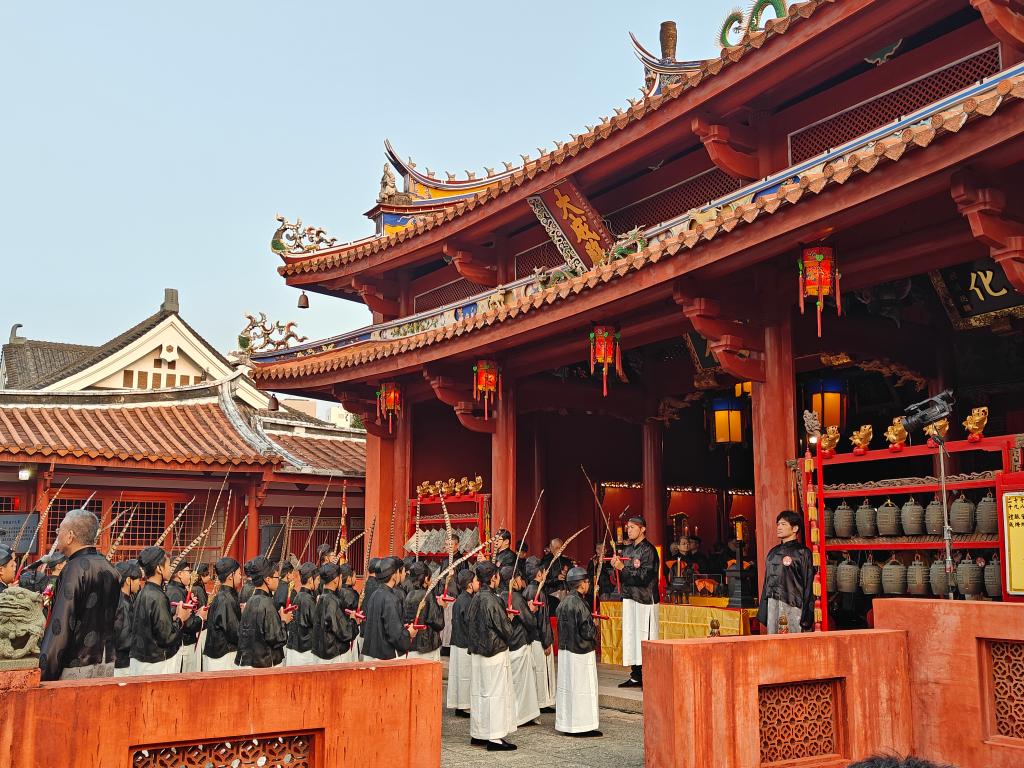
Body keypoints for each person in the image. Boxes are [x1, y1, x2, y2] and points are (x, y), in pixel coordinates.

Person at [36, 508, 121, 681]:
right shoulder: (110, 568)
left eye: (59, 531)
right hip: (105, 664)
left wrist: (44, 672)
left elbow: (60, 626)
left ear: (70, 536)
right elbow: (119, 620)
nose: (57, 535)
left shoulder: (74, 568)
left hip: (75, 666)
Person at [467, 561, 517, 752]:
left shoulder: (475, 598)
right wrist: (509, 620)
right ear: (494, 578)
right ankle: (494, 737)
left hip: (478, 652)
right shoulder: (492, 600)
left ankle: (479, 732)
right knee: (495, 694)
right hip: (493, 652)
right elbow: (506, 629)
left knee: (479, 693)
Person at [129, 546, 199, 676]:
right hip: (156, 663)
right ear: (159, 568)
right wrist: (180, 619)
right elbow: (167, 637)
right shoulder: (157, 596)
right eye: (168, 565)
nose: (170, 569)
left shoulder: (144, 592)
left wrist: (175, 617)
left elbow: (154, 626)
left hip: (144, 660)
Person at [611, 515, 660, 689]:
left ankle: (649, 676)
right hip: (629, 597)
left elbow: (644, 577)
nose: (628, 530)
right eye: (628, 527)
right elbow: (620, 576)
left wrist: (622, 568)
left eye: (632, 527)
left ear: (642, 529)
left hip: (645, 599)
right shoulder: (628, 550)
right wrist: (615, 567)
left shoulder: (649, 551)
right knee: (632, 636)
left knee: (645, 636)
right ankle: (636, 675)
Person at [555, 566, 601, 737]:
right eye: (587, 582)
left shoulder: (562, 603)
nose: (588, 585)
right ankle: (583, 726)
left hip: (566, 650)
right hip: (581, 652)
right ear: (582, 584)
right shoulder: (580, 604)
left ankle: (567, 724)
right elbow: (587, 632)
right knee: (583, 689)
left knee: (567, 689)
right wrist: (595, 626)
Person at [758, 510, 816, 634]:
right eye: (778, 524)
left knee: (793, 639)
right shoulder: (772, 553)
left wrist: (807, 615)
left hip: (794, 604)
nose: (779, 527)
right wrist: (764, 609)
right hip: (773, 603)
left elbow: (809, 584)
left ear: (795, 528)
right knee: (773, 638)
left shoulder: (803, 553)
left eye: (783, 524)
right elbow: (766, 583)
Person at [501, 564, 540, 728]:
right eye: (517, 578)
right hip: (518, 642)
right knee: (522, 684)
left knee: (513, 683)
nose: (520, 580)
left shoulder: (499, 596)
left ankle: (516, 714)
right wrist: (531, 610)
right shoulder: (515, 598)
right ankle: (521, 715)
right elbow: (530, 622)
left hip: (507, 643)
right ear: (512, 581)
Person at [236, 556, 293, 668]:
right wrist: (284, 621)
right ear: (267, 579)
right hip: (266, 662)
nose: (278, 580)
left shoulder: (250, 601)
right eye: (277, 577)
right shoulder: (267, 603)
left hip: (251, 661)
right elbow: (278, 639)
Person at [362, 556, 418, 660]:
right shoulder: (390, 598)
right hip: (386, 655)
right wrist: (408, 633)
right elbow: (395, 635)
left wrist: (401, 627)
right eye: (399, 572)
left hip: (373, 653)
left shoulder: (375, 594)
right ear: (394, 576)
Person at [522, 558, 555, 713]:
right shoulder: (538, 592)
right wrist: (547, 641)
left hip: (531, 637)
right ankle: (543, 702)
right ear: (539, 574)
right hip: (539, 637)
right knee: (542, 670)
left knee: (536, 670)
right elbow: (542, 620)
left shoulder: (526, 590)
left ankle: (538, 700)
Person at [165, 561, 207, 673]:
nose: (190, 575)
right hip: (183, 644)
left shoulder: (175, 589)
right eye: (188, 571)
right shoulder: (176, 593)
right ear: (179, 574)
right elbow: (187, 623)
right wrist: (201, 617)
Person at [203, 557, 242, 671]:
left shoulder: (223, 595)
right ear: (231, 576)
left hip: (218, 653)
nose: (241, 577)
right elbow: (234, 631)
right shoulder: (226, 599)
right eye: (239, 573)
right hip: (224, 655)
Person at [446, 568, 476, 717]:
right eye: (475, 580)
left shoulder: (459, 600)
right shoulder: (469, 601)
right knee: (465, 675)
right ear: (470, 584)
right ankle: (465, 706)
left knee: (457, 675)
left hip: (457, 641)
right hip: (465, 643)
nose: (477, 583)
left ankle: (458, 704)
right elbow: (471, 624)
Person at [403, 561, 445, 661]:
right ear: (426, 578)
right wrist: (440, 606)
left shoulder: (409, 595)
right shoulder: (427, 595)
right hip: (426, 645)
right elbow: (439, 623)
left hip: (412, 644)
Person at [312, 562, 348, 664]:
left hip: (320, 653)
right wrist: (354, 621)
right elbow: (344, 633)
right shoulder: (332, 601)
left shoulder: (321, 597)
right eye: (340, 577)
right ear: (336, 580)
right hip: (333, 654)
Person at [112, 560, 143, 677]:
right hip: (121, 664)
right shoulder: (121, 603)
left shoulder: (122, 599)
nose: (139, 583)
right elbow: (123, 640)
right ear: (129, 580)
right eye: (138, 579)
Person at [285, 562, 319, 666]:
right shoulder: (308, 599)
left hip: (294, 648)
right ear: (310, 580)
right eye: (318, 579)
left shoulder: (298, 596)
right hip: (305, 652)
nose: (319, 582)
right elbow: (316, 624)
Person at [334, 562, 360, 662]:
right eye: (354, 576)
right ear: (349, 578)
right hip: (349, 630)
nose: (355, 579)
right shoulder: (352, 594)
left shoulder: (336, 592)